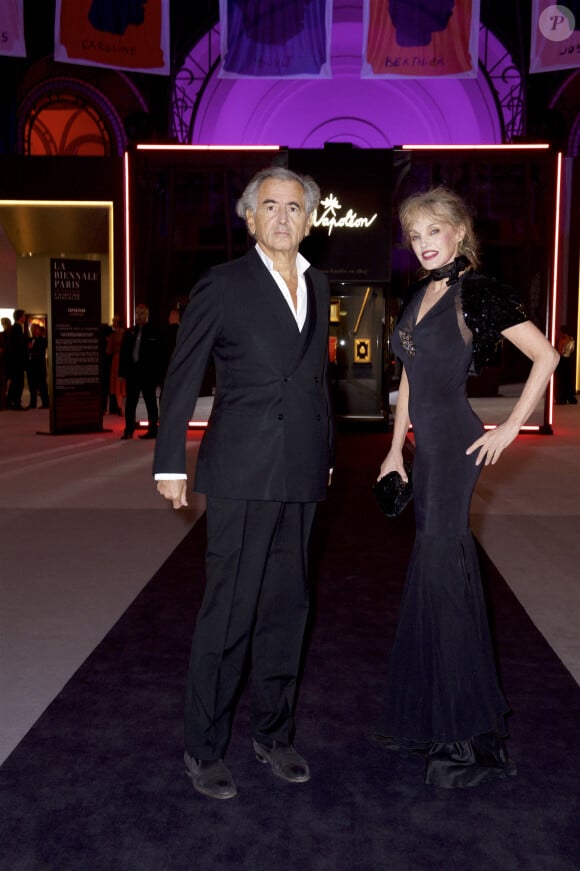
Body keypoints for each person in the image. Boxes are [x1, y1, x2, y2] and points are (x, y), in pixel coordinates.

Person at [154, 166, 334, 800]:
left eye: (294, 207)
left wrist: (327, 453)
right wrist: (170, 460)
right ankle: (203, 748)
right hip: (241, 469)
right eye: (270, 206)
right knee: (228, 612)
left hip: (302, 471)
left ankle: (274, 735)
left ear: (310, 218)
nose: (283, 217)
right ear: (250, 218)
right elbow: (184, 373)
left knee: (289, 610)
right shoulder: (223, 284)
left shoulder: (320, 281)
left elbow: (317, 381)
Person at [374, 187, 559, 788]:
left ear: (459, 234)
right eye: (415, 235)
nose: (424, 244)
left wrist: (510, 427)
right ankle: (443, 719)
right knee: (433, 571)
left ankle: (461, 740)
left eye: (435, 232)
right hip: (425, 449)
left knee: (443, 569)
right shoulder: (417, 293)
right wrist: (393, 449)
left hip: (456, 444)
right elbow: (407, 375)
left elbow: (546, 357)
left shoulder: (475, 291)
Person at [118, 304, 163, 439]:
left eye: (142, 313)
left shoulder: (154, 332)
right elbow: (124, 354)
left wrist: (158, 374)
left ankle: (153, 430)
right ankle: (129, 429)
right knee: (130, 403)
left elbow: (159, 355)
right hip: (133, 374)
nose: (139, 316)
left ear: (147, 315)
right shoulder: (130, 332)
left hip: (148, 374)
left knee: (150, 403)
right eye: (137, 313)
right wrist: (121, 373)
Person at [6, 310, 28, 411]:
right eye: (24, 316)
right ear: (20, 317)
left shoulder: (15, 328)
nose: (25, 317)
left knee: (15, 382)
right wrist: (27, 346)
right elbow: (19, 345)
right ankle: (16, 403)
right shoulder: (17, 329)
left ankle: (10, 402)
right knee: (18, 382)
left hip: (14, 361)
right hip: (17, 361)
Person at [105, 313, 125, 414]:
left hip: (117, 359)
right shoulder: (123, 333)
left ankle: (120, 407)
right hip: (120, 359)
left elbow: (108, 350)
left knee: (118, 385)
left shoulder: (116, 334)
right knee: (120, 385)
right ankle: (120, 407)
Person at [26, 323, 49, 409]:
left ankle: (45, 403)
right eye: (33, 329)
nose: (35, 331)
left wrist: (31, 349)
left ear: (39, 331)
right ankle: (32, 403)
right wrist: (28, 349)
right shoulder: (29, 340)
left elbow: (40, 352)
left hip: (39, 367)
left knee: (42, 386)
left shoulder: (43, 340)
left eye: (36, 329)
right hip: (30, 367)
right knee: (32, 386)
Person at [555, 324, 577, 405]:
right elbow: (572, 350)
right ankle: (570, 397)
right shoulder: (572, 339)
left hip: (563, 360)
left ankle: (562, 399)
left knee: (562, 380)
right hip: (569, 360)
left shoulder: (562, 340)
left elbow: (559, 351)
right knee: (568, 379)